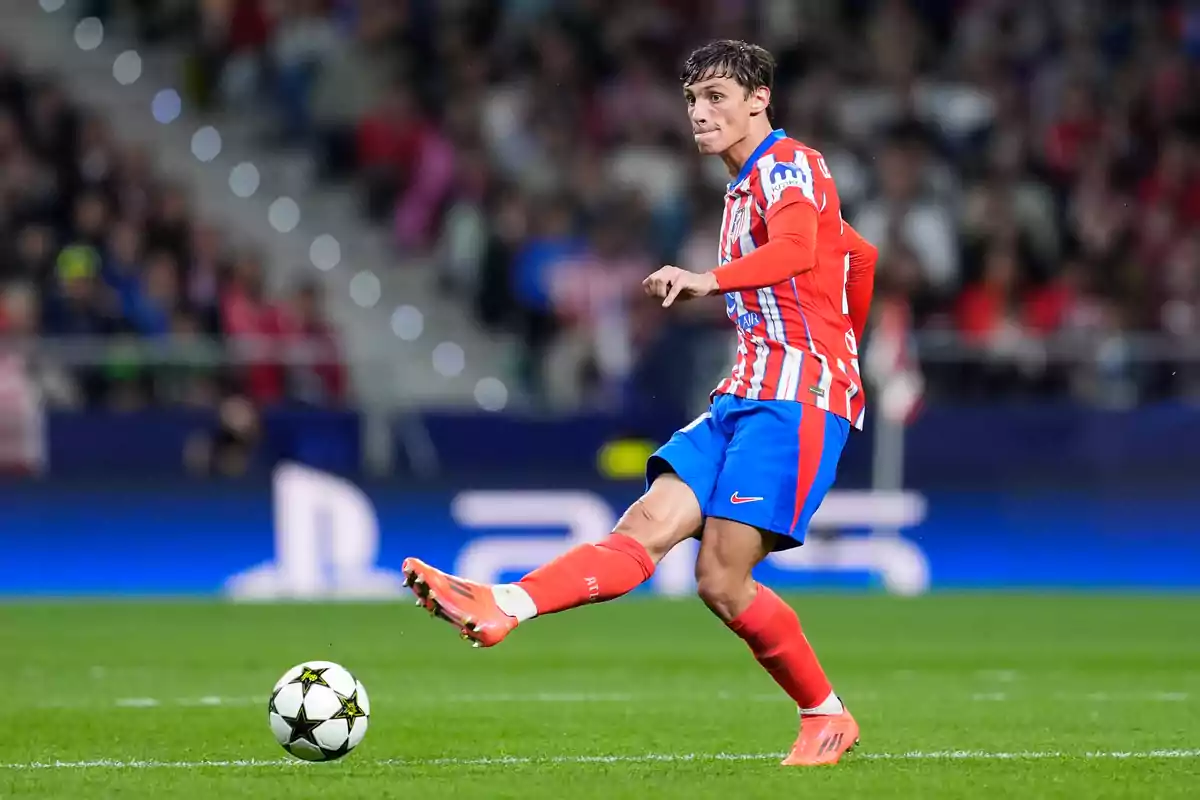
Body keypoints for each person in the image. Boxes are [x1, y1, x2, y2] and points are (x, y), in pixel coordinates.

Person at [401, 40, 878, 767]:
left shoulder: (790, 164)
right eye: (692, 98)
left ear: (760, 100)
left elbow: (797, 251)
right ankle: (507, 604)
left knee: (720, 578)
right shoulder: (747, 184)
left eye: (717, 96)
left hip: (795, 396)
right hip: (746, 389)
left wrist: (723, 289)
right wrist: (843, 335)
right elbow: (856, 255)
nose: (700, 112)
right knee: (647, 522)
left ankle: (826, 715)